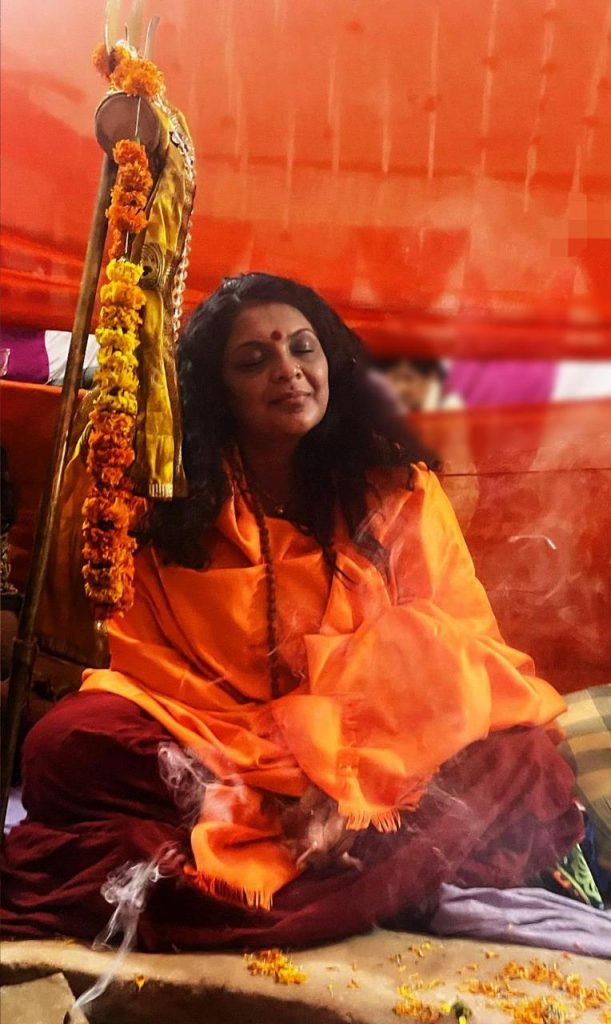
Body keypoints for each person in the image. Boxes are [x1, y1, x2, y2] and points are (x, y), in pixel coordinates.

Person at [1, 274, 581, 951]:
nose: (287, 370)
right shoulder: (173, 505)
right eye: (254, 361)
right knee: (65, 743)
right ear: (217, 391)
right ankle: (351, 859)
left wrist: (347, 781)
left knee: (524, 761)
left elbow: (454, 654)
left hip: (380, 748)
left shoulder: (398, 489)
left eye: (303, 349)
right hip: (221, 739)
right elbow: (149, 666)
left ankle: (316, 851)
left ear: (331, 362)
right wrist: (271, 772)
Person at [375, 357, 463, 414]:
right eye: (395, 379)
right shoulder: (388, 407)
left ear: (431, 376)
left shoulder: (450, 407)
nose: (401, 388)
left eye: (408, 379)